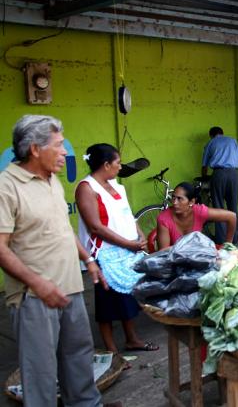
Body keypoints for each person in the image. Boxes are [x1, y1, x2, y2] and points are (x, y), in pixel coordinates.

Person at [0, 115, 105, 407]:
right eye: (59, 146)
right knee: (41, 371)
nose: (65, 153)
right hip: (34, 295)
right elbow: (1, 248)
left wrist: (88, 259)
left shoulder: (52, 182)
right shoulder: (7, 187)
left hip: (69, 285)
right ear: (35, 149)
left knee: (79, 359)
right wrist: (38, 284)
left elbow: (62, 229)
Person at [75, 143, 156, 354]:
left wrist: (139, 234)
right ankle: (111, 351)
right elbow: (95, 226)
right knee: (107, 305)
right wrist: (128, 243)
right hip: (105, 254)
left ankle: (132, 339)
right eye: (118, 163)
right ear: (106, 164)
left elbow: (127, 214)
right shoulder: (87, 188)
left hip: (127, 251)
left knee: (127, 298)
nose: (121, 167)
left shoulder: (116, 185)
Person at [156, 182, 237, 249]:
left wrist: (228, 245)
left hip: (196, 256)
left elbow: (231, 217)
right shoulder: (164, 219)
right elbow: (163, 252)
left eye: (179, 199)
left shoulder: (199, 211)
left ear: (191, 202)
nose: (174, 202)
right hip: (174, 261)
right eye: (173, 197)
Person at [201, 126, 238, 244]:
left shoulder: (211, 143)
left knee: (218, 207)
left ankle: (221, 240)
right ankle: (234, 238)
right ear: (222, 133)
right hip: (234, 174)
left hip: (219, 174)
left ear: (211, 135)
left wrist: (204, 177)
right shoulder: (233, 141)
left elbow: (204, 165)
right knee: (233, 206)